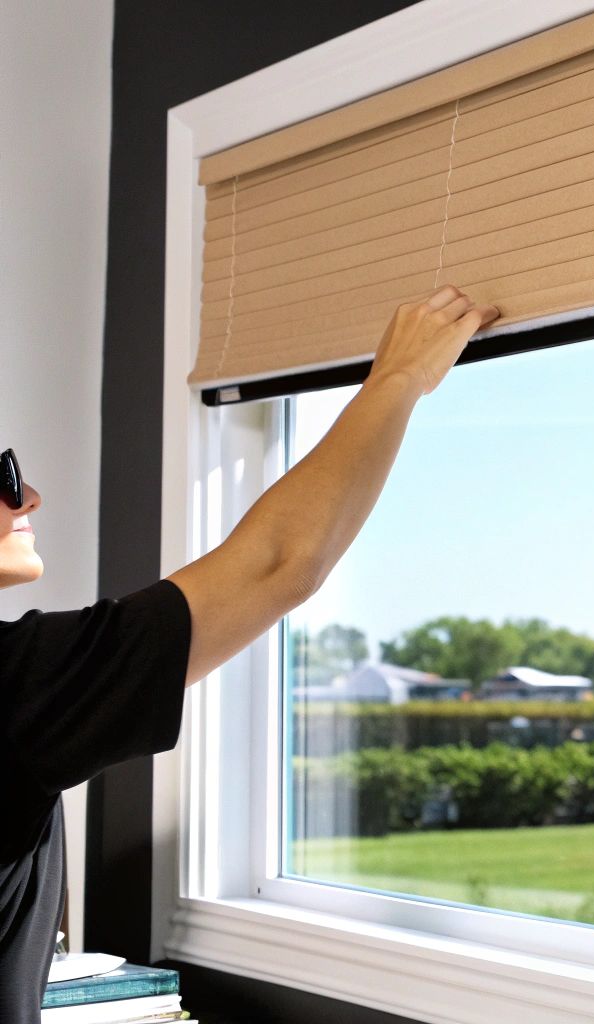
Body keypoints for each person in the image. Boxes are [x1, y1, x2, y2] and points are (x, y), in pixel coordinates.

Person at [0, 287, 498, 1018]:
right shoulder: (18, 680)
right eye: (5, 476)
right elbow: (277, 563)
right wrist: (398, 378)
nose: (30, 496)